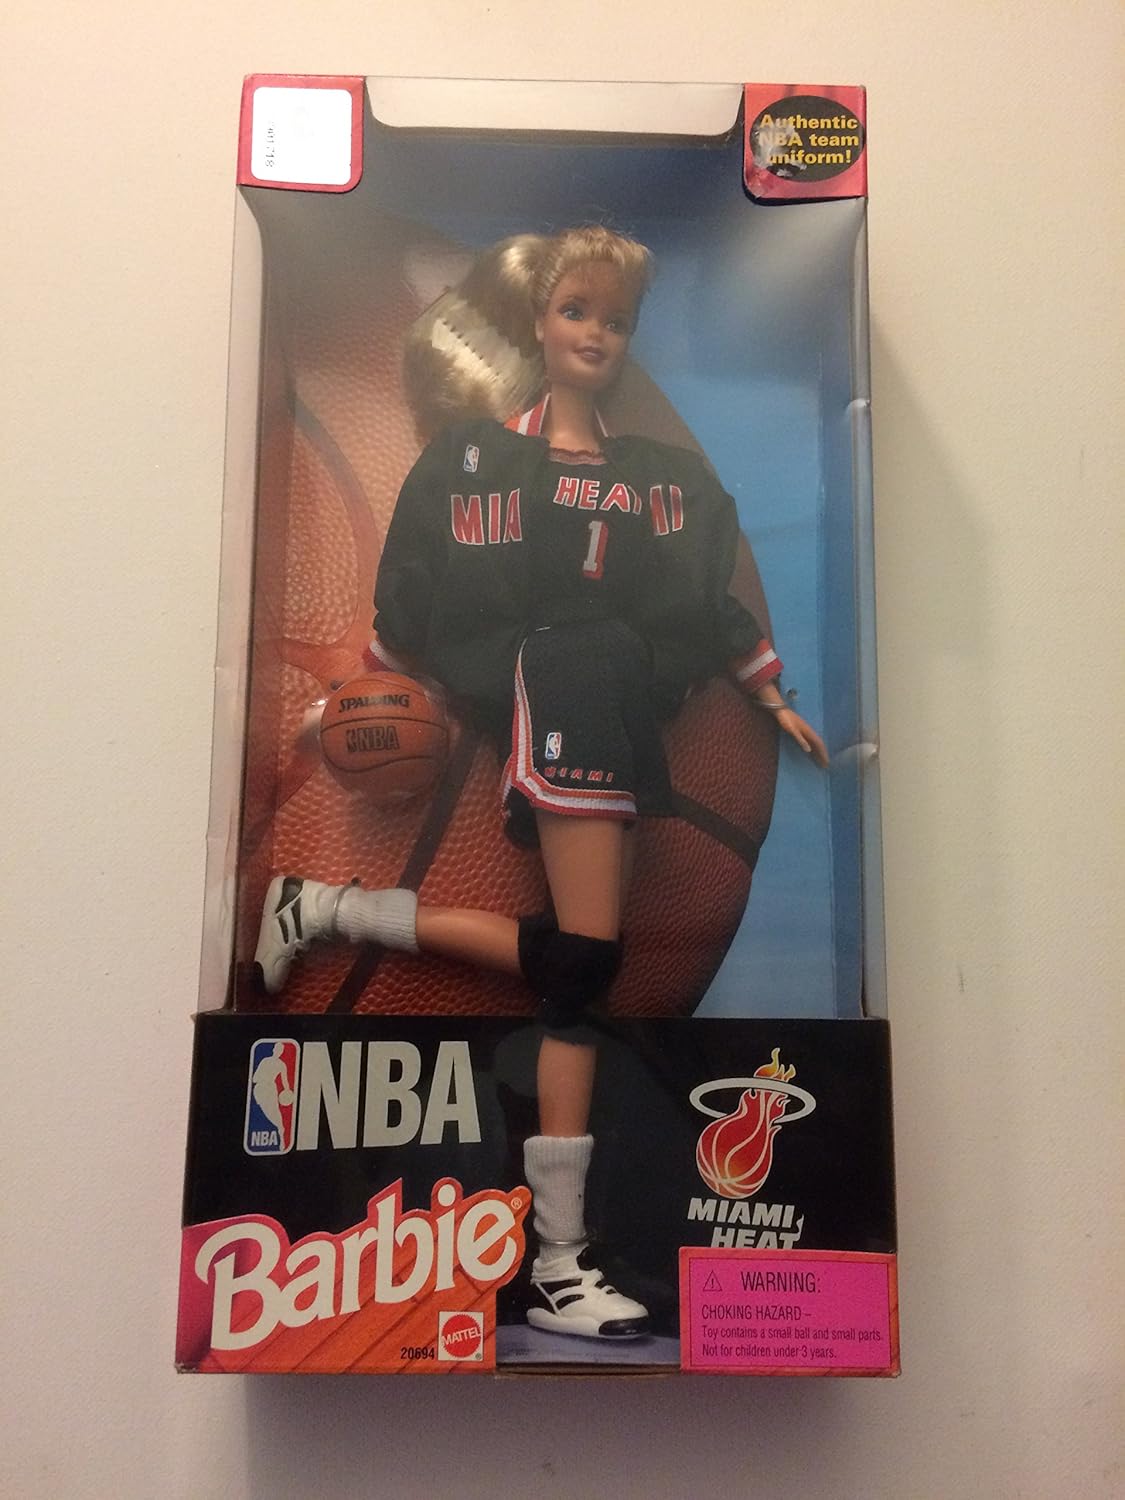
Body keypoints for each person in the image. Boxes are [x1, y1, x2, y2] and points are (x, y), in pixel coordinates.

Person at [255, 227, 827, 1340]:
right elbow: (417, 594)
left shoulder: (655, 480)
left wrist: (768, 690)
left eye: (615, 319)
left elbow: (702, 602)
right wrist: (358, 695)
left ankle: (323, 911)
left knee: (575, 964)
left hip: (616, 709)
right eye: (576, 312)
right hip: (557, 696)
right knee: (583, 977)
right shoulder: (478, 464)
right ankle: (560, 1264)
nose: (597, 335)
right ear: (538, 324)